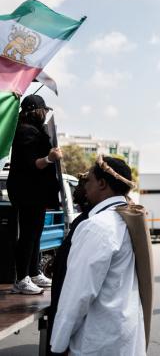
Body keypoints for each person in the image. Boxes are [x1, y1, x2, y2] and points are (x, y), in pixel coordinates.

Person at [50, 156, 149, 355]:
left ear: (102, 184)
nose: (86, 186)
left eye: (90, 181)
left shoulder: (97, 226)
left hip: (98, 340)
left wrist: (58, 344)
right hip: (121, 333)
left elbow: (78, 293)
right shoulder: (127, 219)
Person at [7, 94, 62, 294]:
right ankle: (21, 279)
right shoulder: (25, 132)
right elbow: (32, 164)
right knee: (27, 236)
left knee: (36, 233)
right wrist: (50, 158)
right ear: (36, 111)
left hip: (36, 192)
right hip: (26, 192)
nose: (45, 113)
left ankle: (33, 272)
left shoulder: (35, 131)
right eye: (43, 110)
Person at [46, 173, 92, 355]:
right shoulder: (84, 219)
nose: (76, 192)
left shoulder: (88, 222)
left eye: (81, 186)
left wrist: (61, 339)